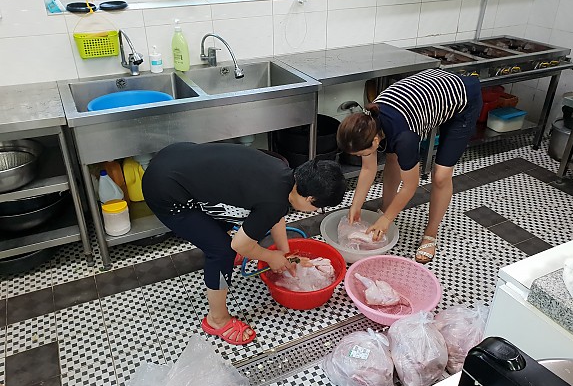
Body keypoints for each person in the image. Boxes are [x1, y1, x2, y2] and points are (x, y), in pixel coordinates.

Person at [142, 142, 346, 345]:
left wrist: (284, 254)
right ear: (310, 198)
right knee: (222, 251)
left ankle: (224, 250)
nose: (315, 212)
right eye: (318, 208)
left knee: (230, 226)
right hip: (165, 190)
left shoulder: (283, 173)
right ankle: (217, 320)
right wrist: (270, 256)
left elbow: (275, 214)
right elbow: (240, 244)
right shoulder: (274, 201)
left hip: (173, 157)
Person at [336, 68, 482, 264]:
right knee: (393, 159)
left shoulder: (405, 137)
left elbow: (410, 186)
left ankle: (431, 234)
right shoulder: (367, 123)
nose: (362, 157)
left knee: (441, 175)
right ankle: (386, 208)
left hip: (463, 100)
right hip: (431, 92)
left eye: (362, 154)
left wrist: (386, 220)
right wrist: (356, 206)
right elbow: (368, 169)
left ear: (376, 140)